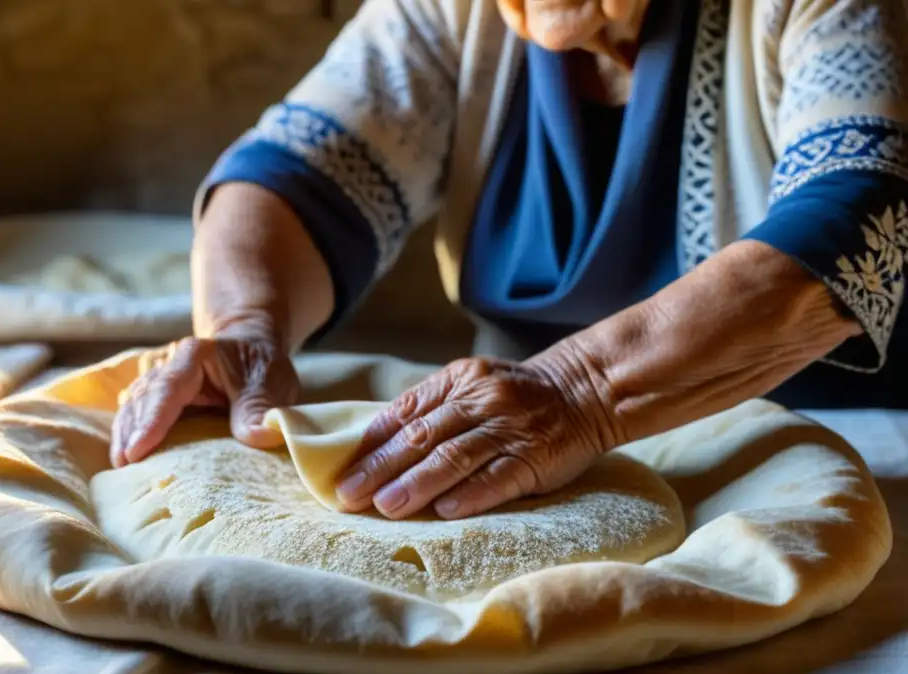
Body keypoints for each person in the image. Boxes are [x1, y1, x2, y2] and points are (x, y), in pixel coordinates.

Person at [111, 0, 907, 523]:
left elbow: (853, 214)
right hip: (517, 481)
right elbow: (295, 172)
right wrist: (248, 327)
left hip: (836, 462)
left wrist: (577, 392)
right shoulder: (451, 12)